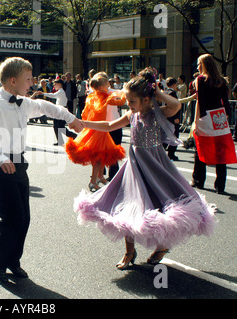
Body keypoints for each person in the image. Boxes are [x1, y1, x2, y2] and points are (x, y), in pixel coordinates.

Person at [74, 68, 216, 270]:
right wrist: (82, 123)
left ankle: (162, 246)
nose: (128, 105)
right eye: (128, 101)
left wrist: (156, 91)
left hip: (156, 165)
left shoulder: (157, 113)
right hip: (134, 166)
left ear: (147, 100)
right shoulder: (132, 115)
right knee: (128, 206)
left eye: (132, 101)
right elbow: (108, 125)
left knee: (159, 204)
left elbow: (175, 105)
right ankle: (129, 251)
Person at [0, 57, 83, 283]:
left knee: (24, 218)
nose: (32, 82)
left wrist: (71, 118)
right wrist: (0, 158)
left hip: (20, 164)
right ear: (13, 80)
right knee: (11, 217)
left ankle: (14, 260)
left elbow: (45, 106)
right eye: (28, 79)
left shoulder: (23, 102)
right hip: (1, 165)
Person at [65, 72, 126, 192]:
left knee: (102, 155)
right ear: (103, 86)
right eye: (107, 83)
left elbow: (84, 113)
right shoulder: (107, 97)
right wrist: (124, 92)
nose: (109, 84)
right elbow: (121, 101)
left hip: (96, 128)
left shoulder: (92, 97)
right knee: (99, 157)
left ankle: (100, 176)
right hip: (102, 128)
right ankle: (93, 181)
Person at [190, 54, 237, 194]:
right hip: (219, 117)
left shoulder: (200, 79)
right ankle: (220, 185)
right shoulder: (221, 80)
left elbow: (200, 101)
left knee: (201, 148)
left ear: (204, 64)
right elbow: (226, 101)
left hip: (205, 116)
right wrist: (227, 116)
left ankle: (198, 180)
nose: (197, 66)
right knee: (220, 151)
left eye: (199, 64)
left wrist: (196, 122)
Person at [41, 78, 77, 145]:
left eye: (55, 84)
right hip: (58, 111)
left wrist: (43, 93)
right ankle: (61, 140)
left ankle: (72, 135)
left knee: (59, 126)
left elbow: (53, 95)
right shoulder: (60, 91)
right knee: (57, 126)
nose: (54, 85)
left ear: (60, 84)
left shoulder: (61, 92)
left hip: (61, 111)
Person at [164, 77, 181, 161]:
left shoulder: (165, 92)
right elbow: (174, 106)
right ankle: (171, 154)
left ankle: (162, 152)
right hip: (172, 118)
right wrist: (176, 117)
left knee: (165, 135)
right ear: (174, 84)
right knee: (174, 136)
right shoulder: (172, 93)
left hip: (165, 117)